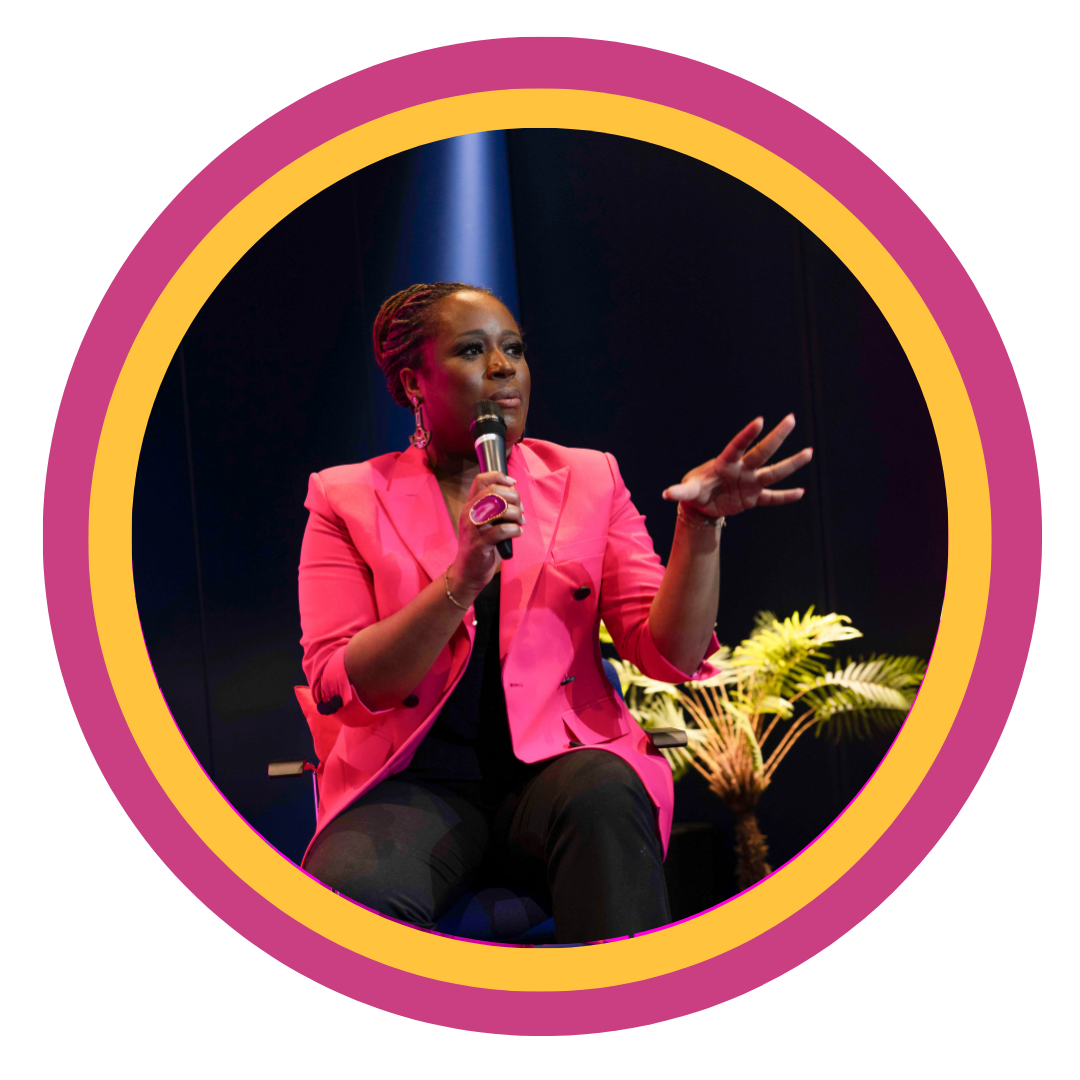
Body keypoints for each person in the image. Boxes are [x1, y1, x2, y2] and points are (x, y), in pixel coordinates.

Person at [296, 282, 812, 945]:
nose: (504, 367)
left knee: (603, 791)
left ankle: (628, 1025)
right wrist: (459, 581)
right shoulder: (346, 498)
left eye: (514, 349)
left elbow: (670, 656)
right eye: (472, 350)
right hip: (411, 779)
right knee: (353, 895)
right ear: (413, 381)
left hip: (561, 770)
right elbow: (342, 685)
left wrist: (699, 525)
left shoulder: (588, 478)